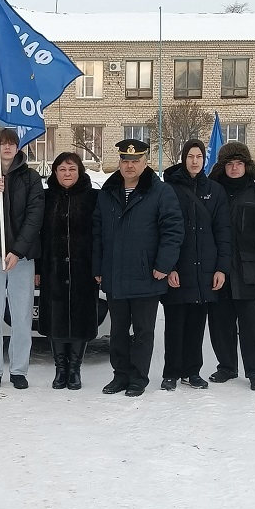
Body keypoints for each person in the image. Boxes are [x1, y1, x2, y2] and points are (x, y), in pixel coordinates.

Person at [93, 139, 183, 397]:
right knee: (118, 331)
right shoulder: (107, 192)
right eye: (125, 160)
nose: (130, 165)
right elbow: (97, 233)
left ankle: (138, 378)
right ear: (119, 162)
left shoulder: (161, 192)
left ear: (146, 163)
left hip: (147, 275)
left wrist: (163, 265)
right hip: (115, 274)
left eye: (135, 161)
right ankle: (120, 376)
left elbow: (173, 230)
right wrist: (98, 267)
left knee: (143, 331)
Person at [0, 128, 44, 390]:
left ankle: (18, 369)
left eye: (12, 143)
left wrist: (18, 251)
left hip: (21, 258)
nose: (7, 147)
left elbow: (35, 217)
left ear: (17, 147)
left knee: (22, 315)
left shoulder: (31, 178)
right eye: (3, 143)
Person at [160, 140, 231, 391]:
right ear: (183, 158)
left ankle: (192, 371)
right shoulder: (168, 189)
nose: (194, 161)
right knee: (175, 323)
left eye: (199, 156)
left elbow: (223, 232)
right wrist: (169, 267)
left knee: (196, 324)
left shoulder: (215, 190)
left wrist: (221, 268)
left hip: (206, 270)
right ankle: (171, 372)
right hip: (178, 268)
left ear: (204, 159)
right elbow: (163, 231)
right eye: (190, 156)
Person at [207, 141, 255, 391]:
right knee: (220, 323)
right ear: (222, 167)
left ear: (247, 166)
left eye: (239, 163)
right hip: (219, 271)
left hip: (249, 271)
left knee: (251, 325)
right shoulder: (213, 194)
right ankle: (226, 367)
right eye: (229, 164)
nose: (234, 168)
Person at [36, 152, 100, 390]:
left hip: (84, 270)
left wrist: (98, 265)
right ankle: (60, 369)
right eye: (62, 169)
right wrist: (38, 267)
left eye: (72, 169)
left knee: (80, 320)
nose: (67, 174)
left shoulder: (93, 198)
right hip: (53, 269)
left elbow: (100, 235)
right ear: (55, 173)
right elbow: (38, 236)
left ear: (80, 171)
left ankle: (74, 369)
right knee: (56, 319)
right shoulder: (45, 198)